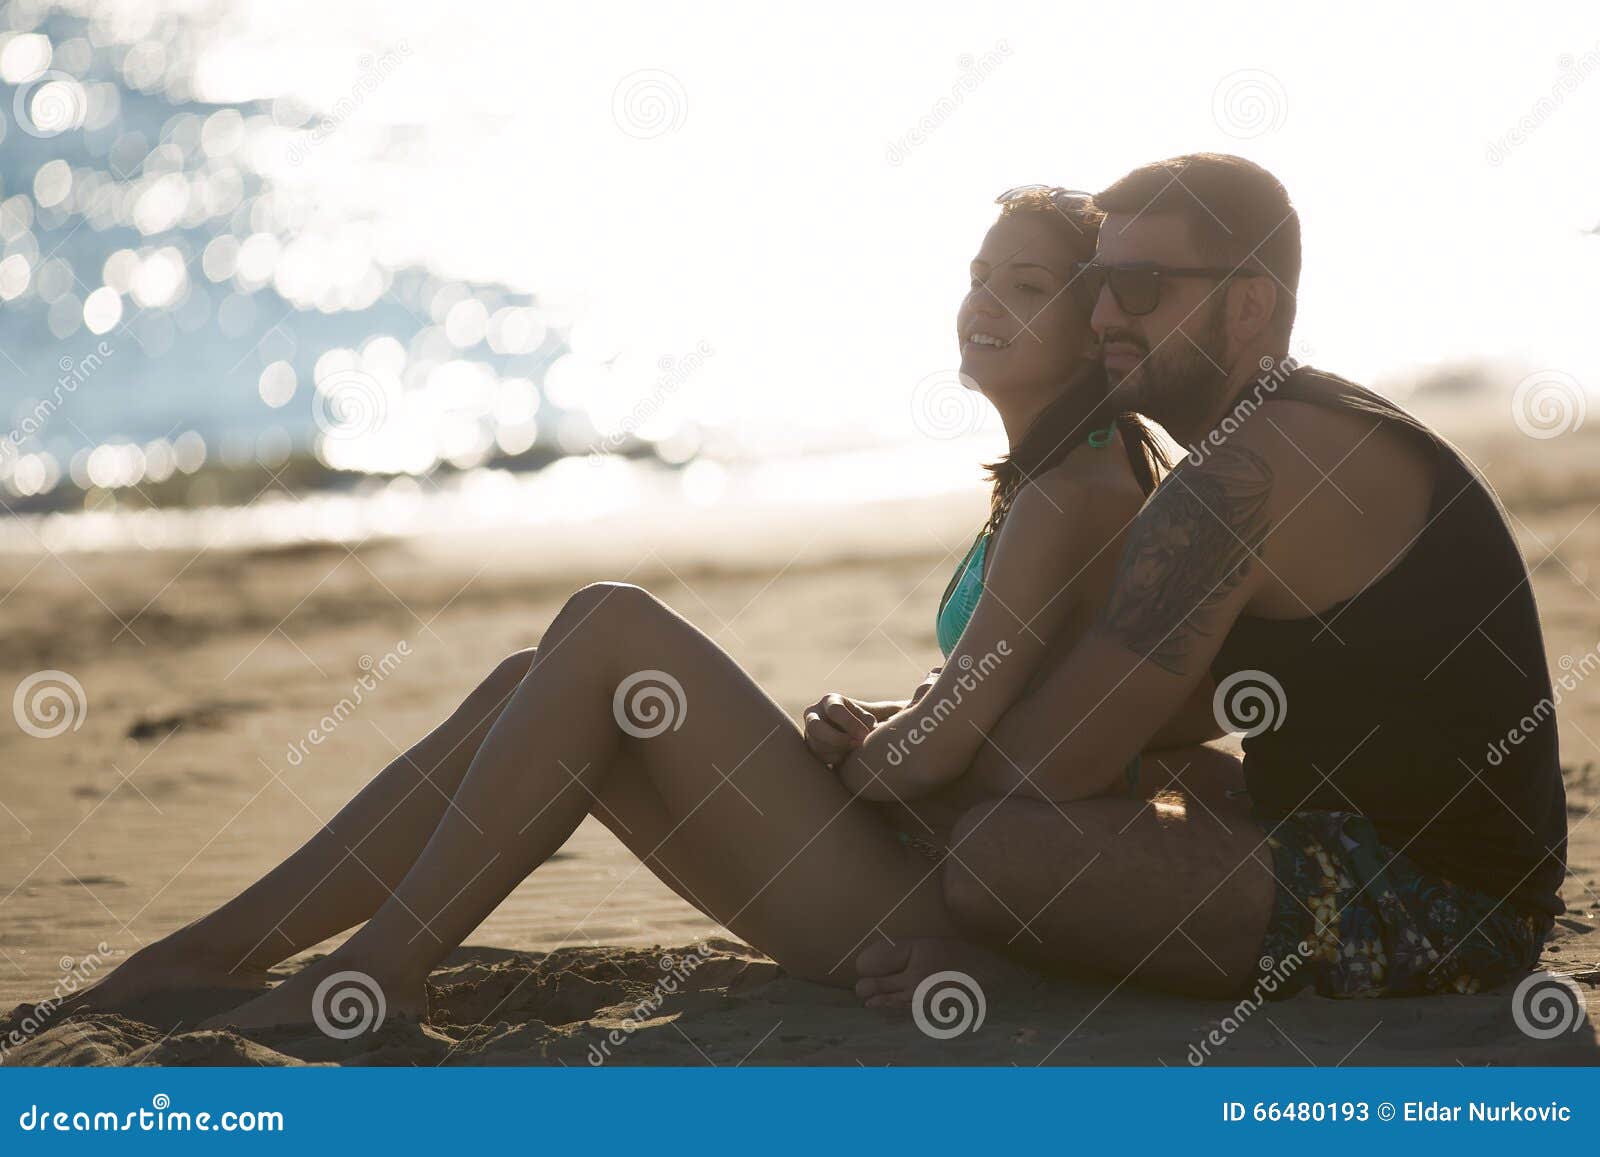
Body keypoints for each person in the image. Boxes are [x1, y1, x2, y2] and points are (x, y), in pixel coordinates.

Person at [63, 186, 1216, 1029]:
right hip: (913, 857)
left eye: (1027, 288)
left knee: (612, 624)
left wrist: (871, 749)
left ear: (1091, 325)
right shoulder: (1060, 474)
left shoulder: (1070, 492)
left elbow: (961, 746)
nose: (983, 304)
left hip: (925, 905)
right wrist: (887, 714)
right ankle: (221, 950)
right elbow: (1011, 708)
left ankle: (370, 975)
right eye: (977, 274)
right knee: (539, 692)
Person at [852, 153, 1568, 1004]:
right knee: (1123, 785)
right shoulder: (1281, 426)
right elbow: (1158, 721)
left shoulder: (1249, 471)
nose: (1104, 317)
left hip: (1446, 909)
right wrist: (929, 725)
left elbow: (1047, 765)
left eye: (1141, 285)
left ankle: (1026, 972)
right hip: (1344, 836)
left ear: (1250, 303)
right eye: (1097, 286)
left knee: (997, 851)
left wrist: (910, 758)